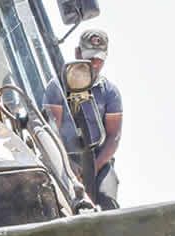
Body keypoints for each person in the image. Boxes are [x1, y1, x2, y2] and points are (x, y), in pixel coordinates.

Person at [42, 29, 123, 210]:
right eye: (90, 57)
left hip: (100, 162)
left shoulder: (109, 92)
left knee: (108, 199)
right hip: (64, 163)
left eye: (99, 58)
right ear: (78, 53)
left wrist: (94, 166)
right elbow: (51, 131)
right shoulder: (57, 86)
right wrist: (68, 165)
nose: (94, 64)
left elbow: (114, 136)